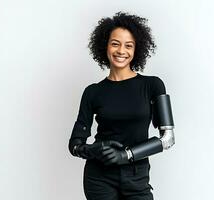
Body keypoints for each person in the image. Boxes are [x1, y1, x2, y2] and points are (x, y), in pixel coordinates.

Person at [68, 11, 175, 200]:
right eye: (115, 43)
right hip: (99, 177)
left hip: (137, 176)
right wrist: (93, 150)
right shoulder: (92, 92)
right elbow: (75, 144)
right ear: (105, 46)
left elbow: (167, 139)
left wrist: (125, 156)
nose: (121, 51)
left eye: (128, 45)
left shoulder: (153, 85)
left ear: (136, 49)